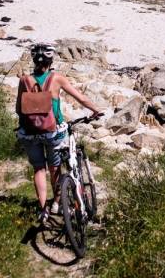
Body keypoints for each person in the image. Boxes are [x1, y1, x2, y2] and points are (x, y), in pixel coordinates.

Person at [15, 43, 102, 222]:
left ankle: (43, 209)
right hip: (52, 132)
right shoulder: (56, 78)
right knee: (55, 168)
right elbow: (81, 98)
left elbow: (18, 108)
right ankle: (56, 203)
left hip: (30, 132)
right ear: (50, 60)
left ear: (34, 60)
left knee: (39, 168)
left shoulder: (24, 80)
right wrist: (96, 111)